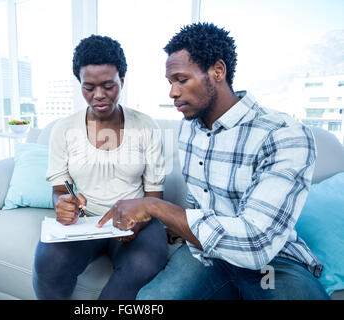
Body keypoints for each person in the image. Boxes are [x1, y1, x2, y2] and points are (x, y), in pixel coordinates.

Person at [97, 23, 330, 300]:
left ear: (217, 71)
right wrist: (178, 227)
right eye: (170, 82)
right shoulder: (191, 127)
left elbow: (256, 243)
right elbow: (199, 202)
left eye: (181, 80)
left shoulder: (282, 133)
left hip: (273, 263)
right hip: (207, 256)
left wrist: (155, 206)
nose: (172, 92)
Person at [32, 35, 168, 300]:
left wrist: (136, 223)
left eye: (108, 86)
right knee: (48, 261)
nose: (99, 96)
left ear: (122, 82)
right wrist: (63, 203)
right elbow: (60, 188)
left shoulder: (146, 126)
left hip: (136, 220)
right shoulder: (63, 129)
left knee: (144, 263)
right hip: (86, 221)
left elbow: (154, 196)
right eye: (89, 87)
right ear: (80, 85)